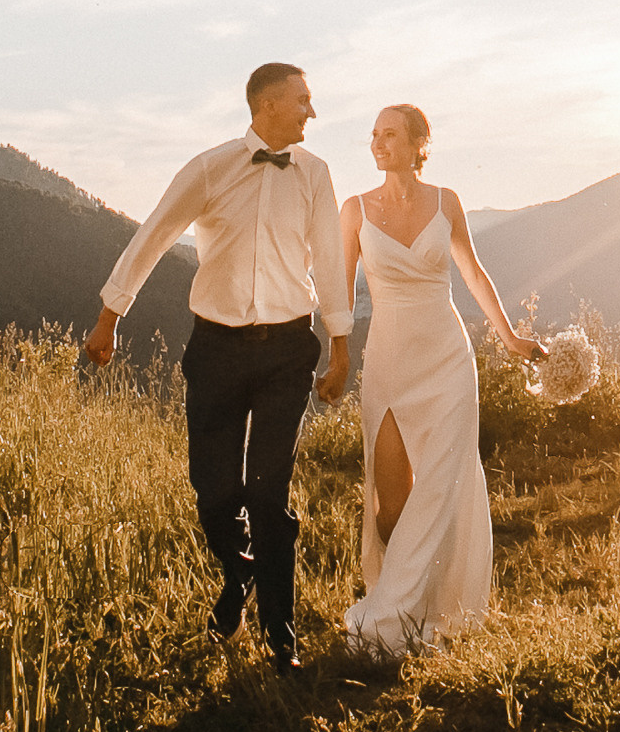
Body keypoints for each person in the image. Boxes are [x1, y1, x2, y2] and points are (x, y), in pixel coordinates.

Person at [83, 63, 354, 674]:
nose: (312, 111)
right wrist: (110, 314)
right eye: (303, 100)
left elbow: (331, 261)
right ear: (265, 105)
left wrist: (340, 345)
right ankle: (242, 572)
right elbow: (153, 234)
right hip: (217, 350)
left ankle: (280, 629)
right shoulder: (210, 167)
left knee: (268, 491)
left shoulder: (315, 174)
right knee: (212, 490)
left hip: (288, 348)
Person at [341, 104, 545, 654]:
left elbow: (474, 275)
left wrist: (509, 338)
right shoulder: (355, 210)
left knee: (440, 487)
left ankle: (409, 616)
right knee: (390, 502)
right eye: (374, 136)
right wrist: (334, 358)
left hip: (448, 362)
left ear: (417, 143)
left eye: (389, 135)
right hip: (387, 363)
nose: (378, 144)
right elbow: (336, 296)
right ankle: (400, 597)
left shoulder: (446, 202)